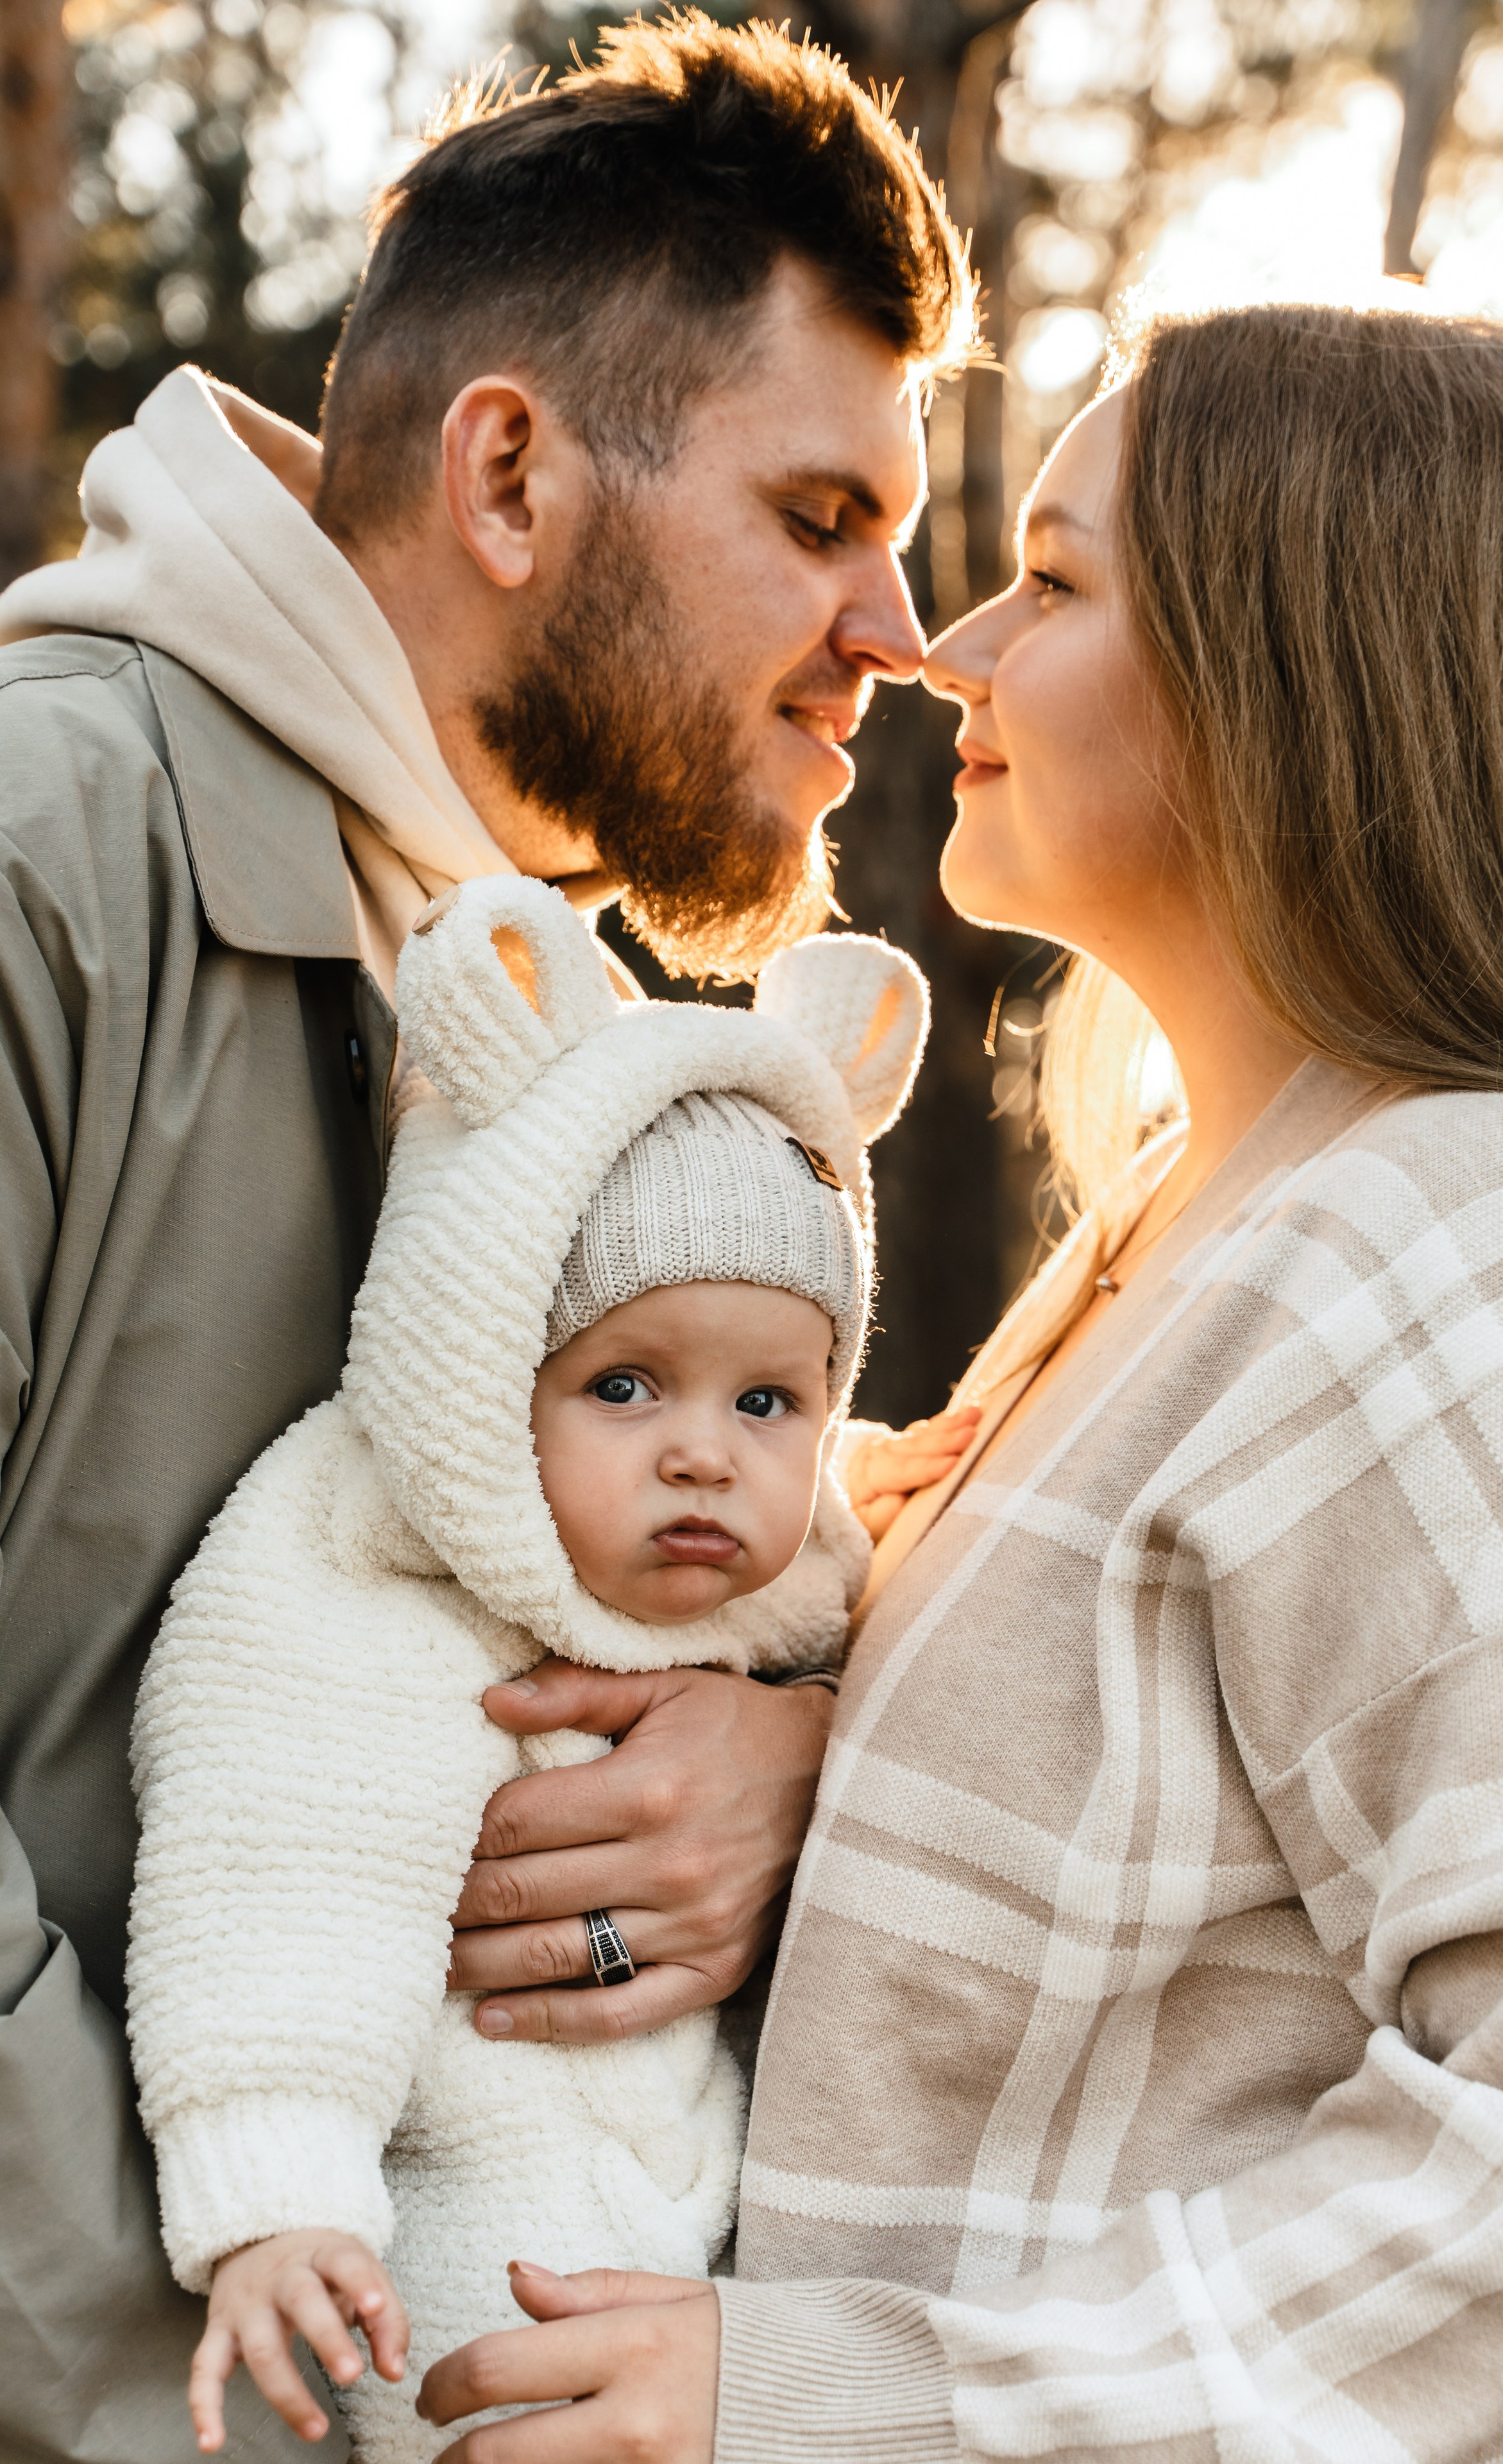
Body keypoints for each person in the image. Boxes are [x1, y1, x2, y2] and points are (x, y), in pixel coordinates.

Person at [409, 306, 1503, 2463]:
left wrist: (845, 2405)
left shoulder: (1477, 1239)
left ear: (1299, 666)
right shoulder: (1194, 1220)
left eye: (1054, 585)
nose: (950, 648)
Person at [0, 19, 974, 2459]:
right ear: (514, 475)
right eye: (822, 515)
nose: (900, 630)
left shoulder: (549, 1034)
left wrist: (778, 1751)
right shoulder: (42, 855)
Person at [126, 882, 935, 2461]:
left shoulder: (762, 1588)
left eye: (768, 1404)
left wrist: (900, 1515)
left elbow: (850, 1629)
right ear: (485, 1375)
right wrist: (278, 2197)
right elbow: (274, 1875)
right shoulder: (368, 1588)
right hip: (463, 2219)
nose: (703, 1455)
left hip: (718, 2240)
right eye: (624, 1385)